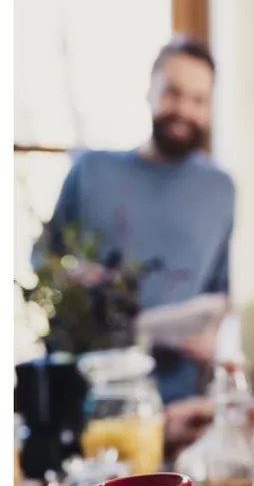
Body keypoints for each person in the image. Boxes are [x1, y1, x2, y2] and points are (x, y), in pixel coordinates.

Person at [36, 34, 235, 404]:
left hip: (177, 401)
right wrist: (77, 277)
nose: (184, 110)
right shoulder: (92, 172)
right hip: (87, 392)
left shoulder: (220, 190)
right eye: (173, 93)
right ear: (150, 91)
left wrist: (212, 336)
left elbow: (220, 291)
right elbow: (44, 263)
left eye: (199, 100)